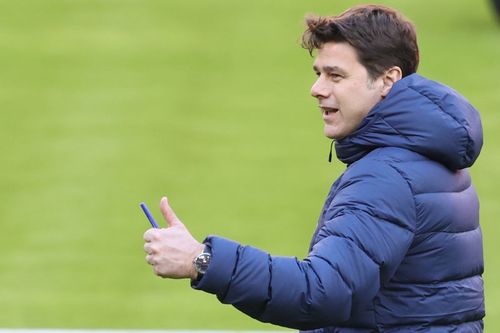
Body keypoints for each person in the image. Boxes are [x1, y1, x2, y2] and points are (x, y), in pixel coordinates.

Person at [143, 4, 485, 332]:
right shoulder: (426, 152)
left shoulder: (387, 176)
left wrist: (202, 260)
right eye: (319, 74)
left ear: (387, 80)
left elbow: (323, 291)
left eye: (335, 76)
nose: (317, 89)